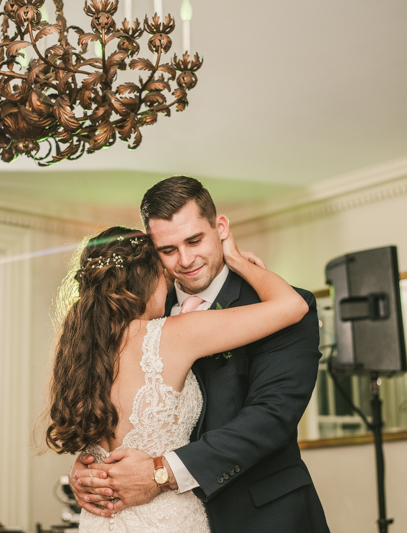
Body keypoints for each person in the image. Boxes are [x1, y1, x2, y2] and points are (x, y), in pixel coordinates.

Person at [70, 177, 330, 532]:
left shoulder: (275, 307)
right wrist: (93, 468)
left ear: (220, 228)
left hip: (263, 516)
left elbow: (271, 417)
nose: (186, 260)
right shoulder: (148, 310)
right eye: (168, 250)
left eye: (195, 240)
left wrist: (161, 472)